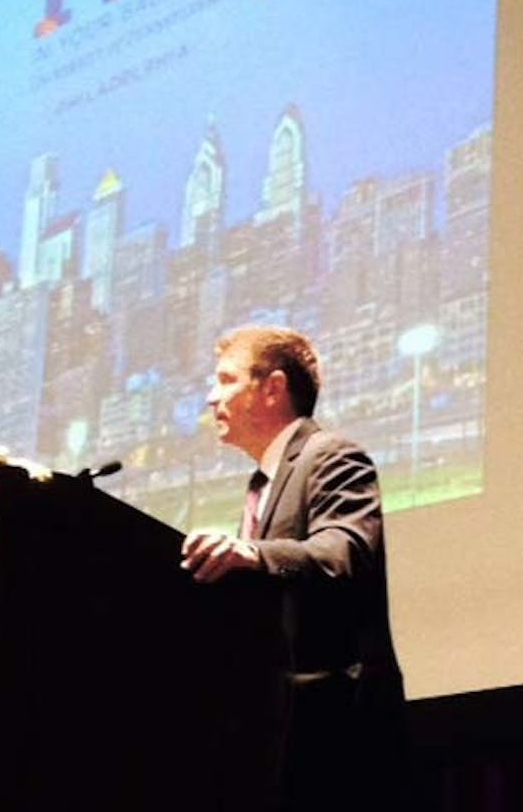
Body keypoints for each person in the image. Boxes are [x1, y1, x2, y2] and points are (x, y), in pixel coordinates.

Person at [181, 325, 409, 812]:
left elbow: (344, 549)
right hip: (277, 732)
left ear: (273, 388)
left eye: (225, 380)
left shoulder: (330, 454)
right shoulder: (259, 484)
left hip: (336, 727)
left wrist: (252, 554)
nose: (209, 397)